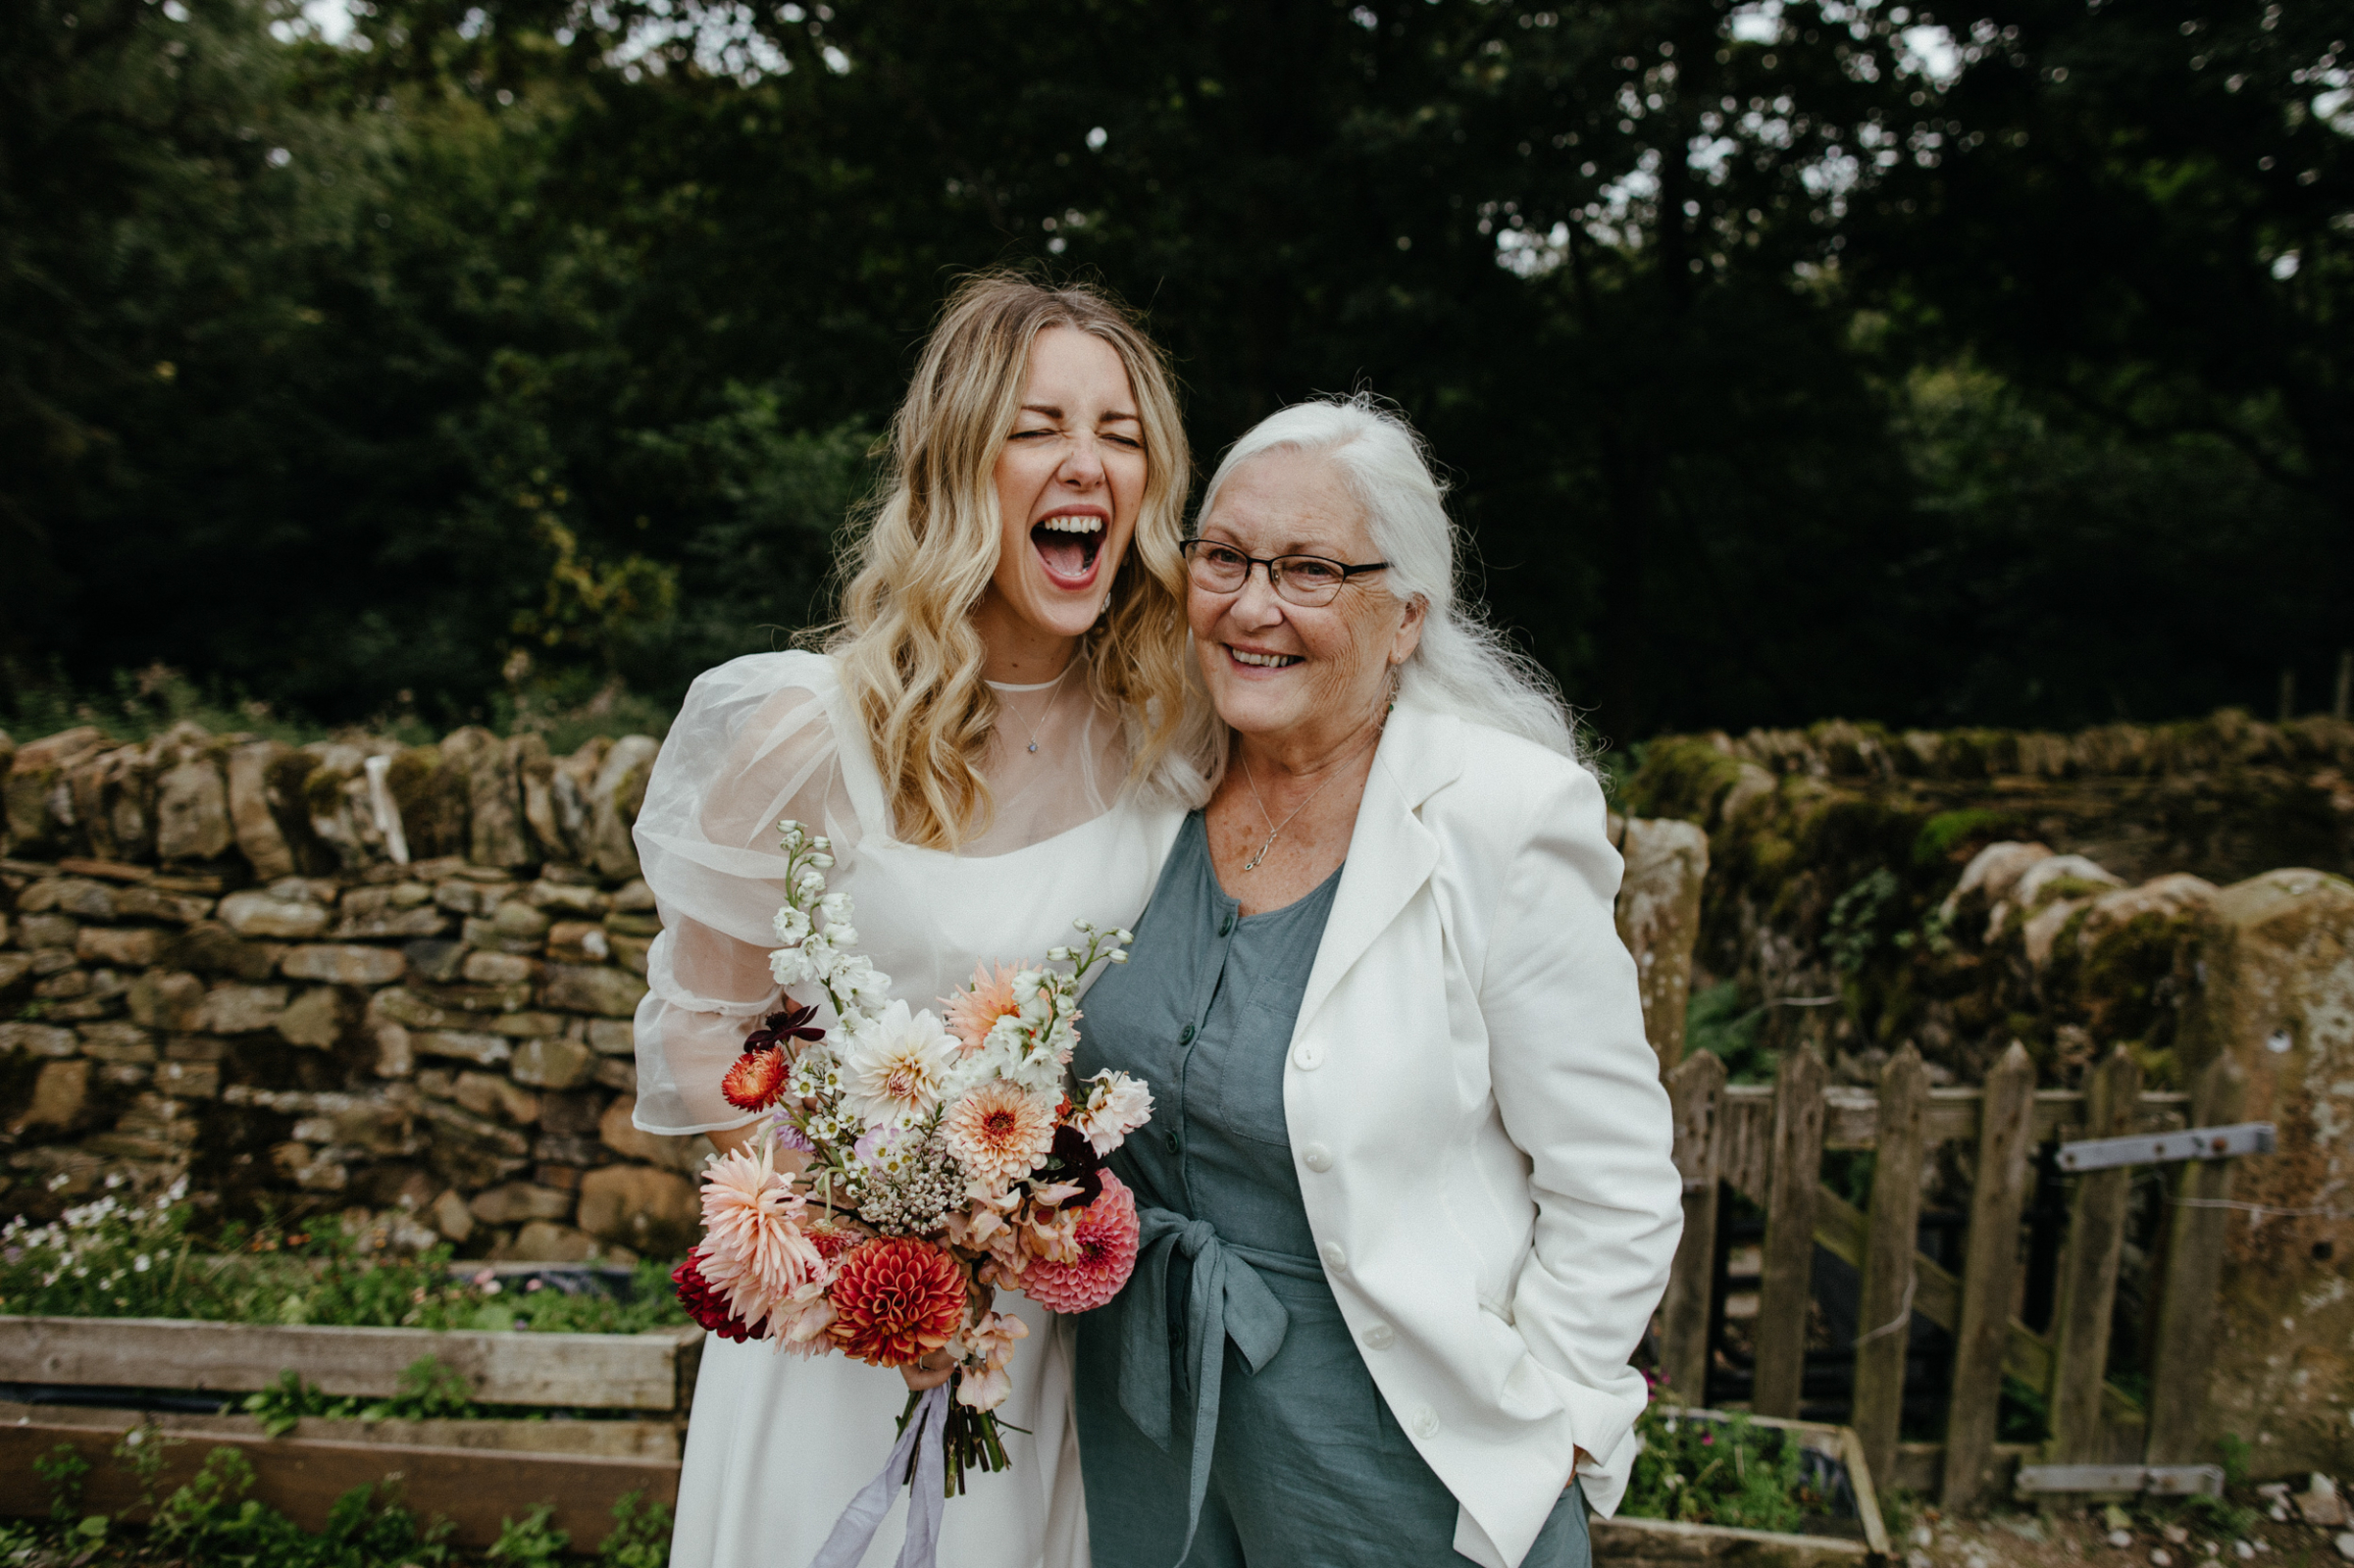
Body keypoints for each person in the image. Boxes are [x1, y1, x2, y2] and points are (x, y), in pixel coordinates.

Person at [631, 272, 1203, 1568]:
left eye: (1122, 434)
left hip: (1063, 1350)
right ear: (957, 462)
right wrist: (846, 1231)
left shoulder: (1177, 750)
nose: (1089, 465)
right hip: (838, 1341)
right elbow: (702, 1032)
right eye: (1040, 426)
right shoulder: (801, 734)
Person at [1068, 395, 1684, 1568]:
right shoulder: (1147, 789)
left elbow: (1616, 1187)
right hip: (1148, 1421)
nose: (1254, 606)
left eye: (1309, 570)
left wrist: (1547, 1421)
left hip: (1395, 1448)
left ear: (1404, 616)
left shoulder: (1503, 820)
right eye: (1227, 558)